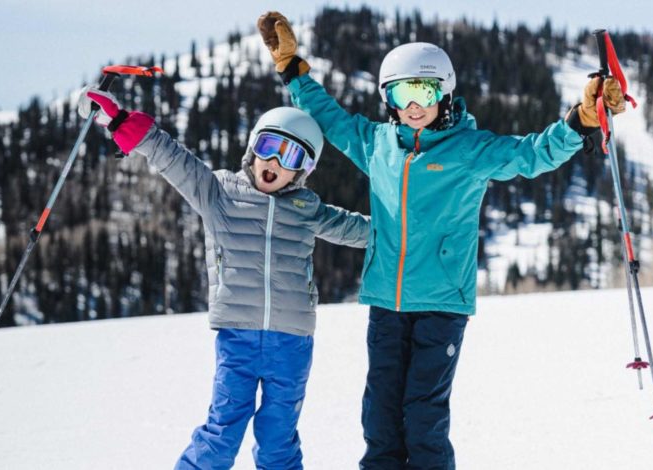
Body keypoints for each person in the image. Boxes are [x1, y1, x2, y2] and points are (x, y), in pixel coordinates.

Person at [257, 11, 625, 469]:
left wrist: (579, 121)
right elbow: (328, 118)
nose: (413, 105)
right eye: (400, 92)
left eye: (424, 91)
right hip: (386, 304)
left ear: (443, 93)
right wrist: (293, 70)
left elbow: (531, 154)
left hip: (442, 303)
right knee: (380, 418)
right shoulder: (377, 144)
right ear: (388, 98)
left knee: (424, 419)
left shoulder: (469, 151)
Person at [78, 90, 370, 469]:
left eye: (291, 156)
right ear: (252, 148)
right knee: (223, 431)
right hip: (239, 339)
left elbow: (356, 229)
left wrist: (408, 228)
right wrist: (120, 122)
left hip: (293, 342)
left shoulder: (306, 208)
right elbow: (173, 159)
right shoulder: (218, 192)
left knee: (279, 439)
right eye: (269, 146)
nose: (275, 161)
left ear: (303, 170)